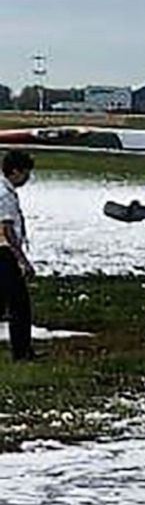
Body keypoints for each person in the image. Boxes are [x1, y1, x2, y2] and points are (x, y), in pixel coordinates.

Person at [0, 151, 36, 361]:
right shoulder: (4, 194)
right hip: (4, 252)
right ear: (15, 171)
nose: (27, 178)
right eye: (26, 173)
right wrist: (22, 260)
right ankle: (21, 352)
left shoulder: (5, 189)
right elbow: (7, 230)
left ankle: (22, 350)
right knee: (20, 305)